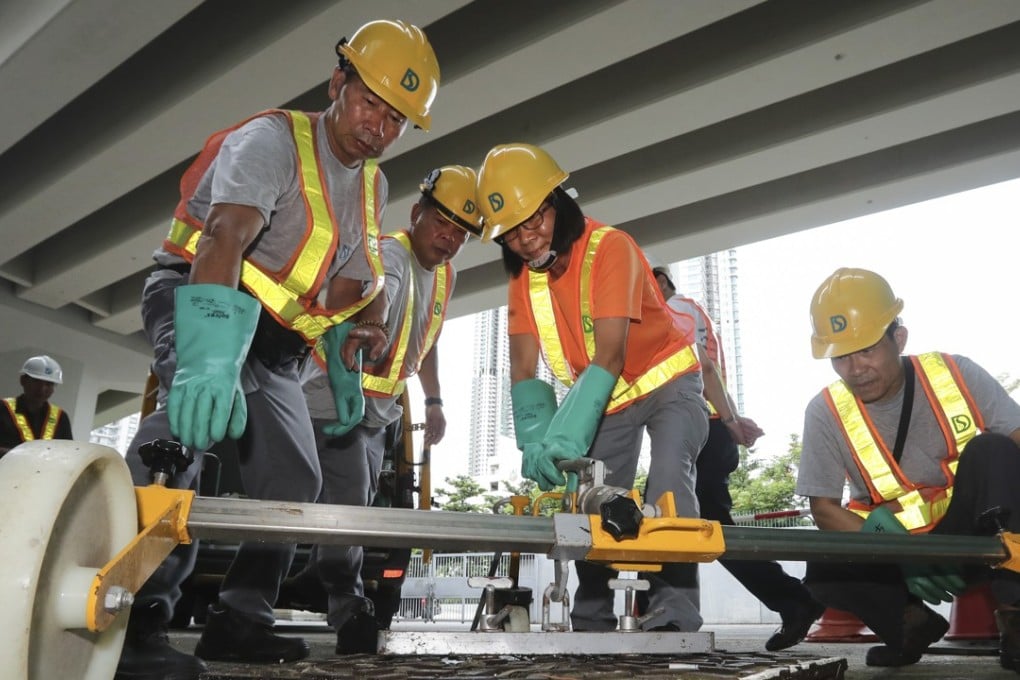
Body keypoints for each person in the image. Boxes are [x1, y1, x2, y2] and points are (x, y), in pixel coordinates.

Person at [114, 20, 439, 680]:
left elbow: (340, 283)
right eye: (370, 101)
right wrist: (207, 359)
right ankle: (131, 614)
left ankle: (239, 620)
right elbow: (222, 240)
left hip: (279, 343)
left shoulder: (372, 186)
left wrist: (352, 340)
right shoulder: (273, 142)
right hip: (205, 298)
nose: (378, 125)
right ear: (337, 83)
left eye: (397, 117)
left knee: (294, 482)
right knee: (184, 430)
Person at [477, 142, 741, 633]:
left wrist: (566, 437)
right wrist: (534, 440)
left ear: (559, 202)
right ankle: (591, 619)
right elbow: (522, 368)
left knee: (668, 483)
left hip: (668, 385)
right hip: (609, 401)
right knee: (592, 497)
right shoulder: (524, 279)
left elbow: (611, 354)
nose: (526, 239)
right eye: (510, 233)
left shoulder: (610, 247)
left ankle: (674, 615)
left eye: (533, 220)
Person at [796, 267, 1020, 671]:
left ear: (898, 339)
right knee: (823, 562)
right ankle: (908, 625)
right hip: (895, 554)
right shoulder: (825, 412)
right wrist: (903, 554)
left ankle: (1016, 614)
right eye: (840, 357)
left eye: (865, 350)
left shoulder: (955, 374)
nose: (855, 369)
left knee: (994, 450)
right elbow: (825, 509)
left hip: (973, 542)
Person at [295, 165, 479, 654]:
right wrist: (373, 324)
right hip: (334, 397)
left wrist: (435, 399)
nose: (449, 239)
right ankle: (346, 606)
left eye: (460, 234)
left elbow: (427, 338)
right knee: (345, 505)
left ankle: (321, 583)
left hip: (379, 413)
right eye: (442, 224)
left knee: (347, 507)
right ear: (417, 213)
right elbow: (381, 292)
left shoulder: (445, 276)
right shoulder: (389, 253)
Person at [648, 258, 824, 651]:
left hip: (703, 430)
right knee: (700, 526)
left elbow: (701, 367)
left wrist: (728, 421)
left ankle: (669, 617)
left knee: (671, 519)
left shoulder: (676, 309)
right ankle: (790, 599)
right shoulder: (693, 312)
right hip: (709, 427)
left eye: (643, 285)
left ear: (660, 281)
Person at [0, 355, 73, 457]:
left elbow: (67, 454)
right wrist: (18, 455)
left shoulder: (61, 418)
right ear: (23, 381)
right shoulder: (3, 409)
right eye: (36, 381)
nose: (42, 389)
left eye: (49, 384)